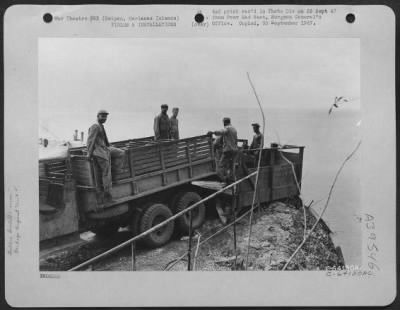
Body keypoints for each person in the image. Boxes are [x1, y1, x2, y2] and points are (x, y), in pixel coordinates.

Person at [86, 110, 125, 202]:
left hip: (105, 149)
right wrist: (89, 154)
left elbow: (104, 140)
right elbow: (90, 141)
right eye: (102, 116)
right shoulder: (95, 126)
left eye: (105, 117)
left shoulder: (101, 126)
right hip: (99, 152)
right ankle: (108, 195)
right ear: (97, 116)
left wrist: (110, 146)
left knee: (121, 153)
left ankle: (115, 171)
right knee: (106, 173)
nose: (104, 118)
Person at [208, 117, 238, 182]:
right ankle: (232, 179)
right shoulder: (234, 129)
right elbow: (235, 140)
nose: (223, 124)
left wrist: (213, 132)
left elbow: (221, 132)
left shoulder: (227, 128)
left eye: (223, 123)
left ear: (225, 122)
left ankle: (225, 179)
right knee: (231, 166)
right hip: (234, 150)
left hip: (228, 150)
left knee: (220, 167)